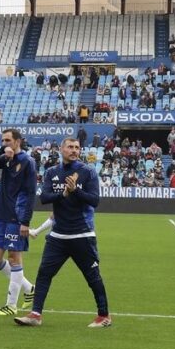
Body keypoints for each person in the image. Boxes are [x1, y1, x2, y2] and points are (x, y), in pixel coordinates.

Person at [15, 138, 112, 328]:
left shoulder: (88, 172)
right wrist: (64, 194)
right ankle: (35, 314)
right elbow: (44, 198)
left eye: (77, 147)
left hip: (82, 235)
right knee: (44, 274)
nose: (74, 150)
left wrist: (75, 191)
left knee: (93, 277)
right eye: (70, 147)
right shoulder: (52, 172)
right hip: (58, 236)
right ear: (61, 149)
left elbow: (94, 200)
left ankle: (104, 316)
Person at [0, 129, 37, 316]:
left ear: (18, 141)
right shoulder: (6, 160)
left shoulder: (28, 162)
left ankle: (11, 305)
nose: (5, 143)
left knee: (14, 258)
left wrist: (25, 221)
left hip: (17, 217)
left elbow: (30, 194)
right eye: (2, 140)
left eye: (8, 140)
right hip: (1, 215)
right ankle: (29, 289)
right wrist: (2, 151)